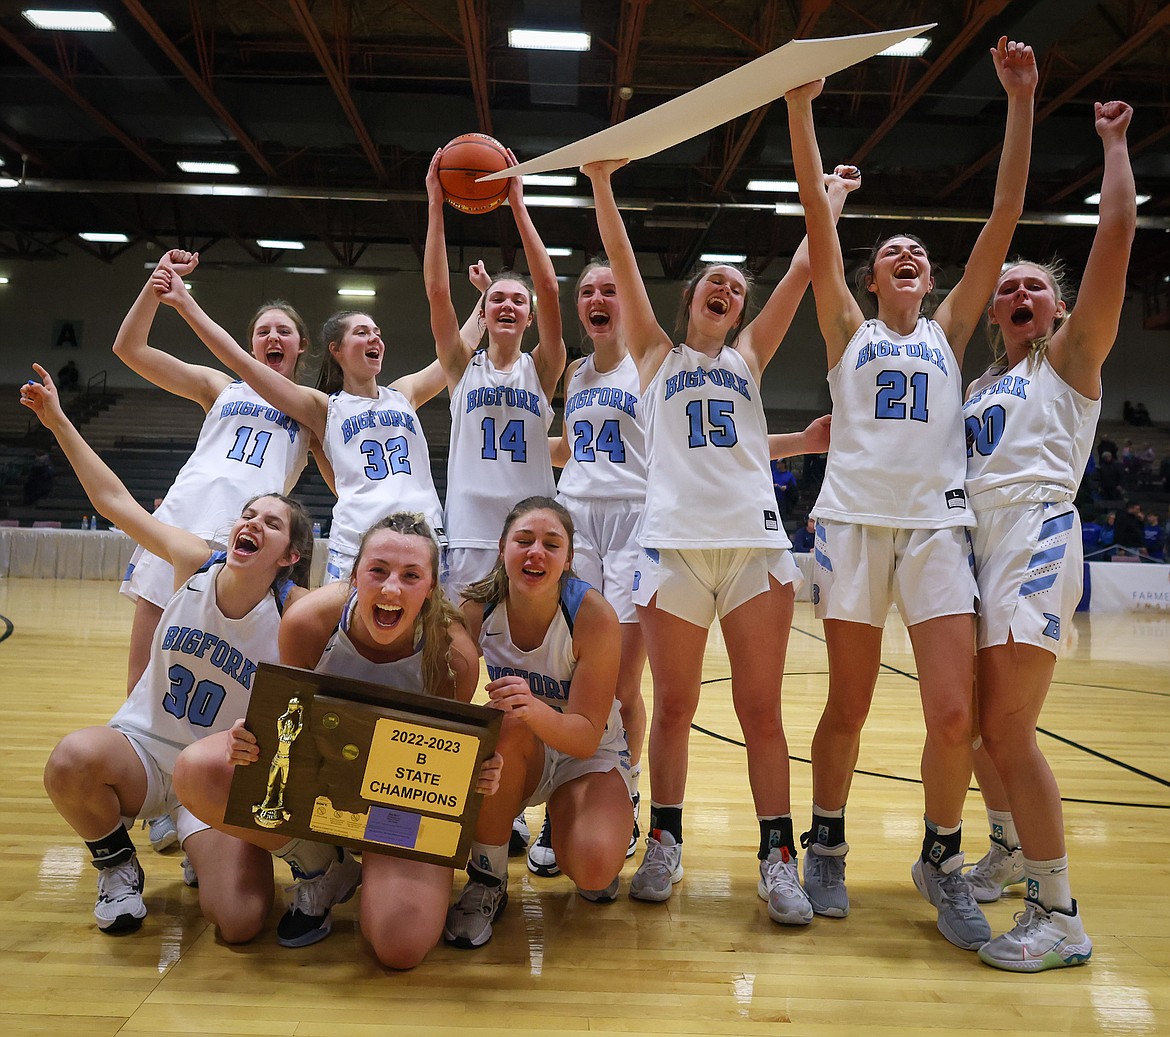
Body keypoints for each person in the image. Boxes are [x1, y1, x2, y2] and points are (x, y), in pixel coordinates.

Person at [784, 37, 1035, 948]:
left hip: (936, 529)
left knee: (954, 712)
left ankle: (940, 854)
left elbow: (1005, 212)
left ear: (928, 280)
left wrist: (1018, 99)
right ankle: (826, 843)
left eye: (916, 252)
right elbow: (818, 217)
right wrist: (802, 107)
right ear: (867, 278)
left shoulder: (952, 328)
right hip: (852, 526)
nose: (906, 255)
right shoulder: (845, 328)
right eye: (889, 250)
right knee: (847, 705)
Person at [583, 153, 858, 927]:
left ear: (740, 310)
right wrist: (603, 183)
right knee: (671, 706)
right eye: (717, 280)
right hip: (671, 545)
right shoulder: (652, 354)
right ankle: (665, 838)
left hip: (752, 546)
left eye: (739, 287)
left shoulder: (749, 357)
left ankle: (778, 856)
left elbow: (807, 267)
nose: (729, 289)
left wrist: (829, 199)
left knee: (759, 709)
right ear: (693, 295)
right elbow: (625, 264)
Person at [21, 364, 312, 936]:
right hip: (145, 754)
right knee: (71, 760)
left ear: (290, 555)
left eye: (270, 522)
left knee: (241, 920)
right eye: (247, 515)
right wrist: (57, 420)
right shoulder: (191, 559)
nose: (250, 522)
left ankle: (235, 847)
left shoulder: (297, 612)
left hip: (216, 774)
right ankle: (116, 865)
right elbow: (113, 501)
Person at [964, 98, 1135, 972]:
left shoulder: (1068, 363)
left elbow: (1114, 240)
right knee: (977, 731)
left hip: (1034, 538)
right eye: (1010, 286)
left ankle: (1059, 910)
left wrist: (1112, 147)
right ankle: (1004, 847)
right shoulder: (977, 386)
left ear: (1060, 308)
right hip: (976, 545)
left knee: (1010, 728)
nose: (1021, 292)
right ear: (996, 311)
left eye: (1037, 284)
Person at [175, 513, 502, 963]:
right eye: (378, 570)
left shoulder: (454, 655)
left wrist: (477, 770)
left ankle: (380, 874)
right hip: (321, 781)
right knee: (199, 768)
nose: (391, 588)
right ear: (354, 575)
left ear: (430, 588)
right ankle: (323, 867)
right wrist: (251, 739)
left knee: (399, 944)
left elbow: (444, 767)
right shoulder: (310, 621)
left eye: (411, 576)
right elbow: (290, 719)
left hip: (395, 807)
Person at [154, 256, 450, 585]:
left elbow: (452, 353)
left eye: (377, 333)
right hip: (360, 533)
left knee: (434, 631)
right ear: (336, 349)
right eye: (363, 332)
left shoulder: (403, 393)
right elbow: (240, 361)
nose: (375, 338)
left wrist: (485, 307)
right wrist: (185, 303)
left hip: (423, 529)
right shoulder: (324, 406)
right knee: (343, 633)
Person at [444, 497, 630, 948]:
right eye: (523, 541)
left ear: (568, 558)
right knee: (503, 725)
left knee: (593, 868)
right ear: (503, 548)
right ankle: (487, 880)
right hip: (520, 746)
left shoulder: (594, 615)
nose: (536, 553)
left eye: (551, 544)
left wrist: (534, 708)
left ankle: (582, 819)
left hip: (586, 750)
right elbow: (449, 710)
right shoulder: (474, 610)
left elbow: (586, 735)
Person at [528, 258, 648, 878]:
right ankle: (560, 799)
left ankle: (622, 786)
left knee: (623, 680)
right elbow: (570, 448)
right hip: (575, 518)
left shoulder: (649, 365)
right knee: (566, 672)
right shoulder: (574, 374)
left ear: (627, 301)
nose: (598, 299)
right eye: (588, 292)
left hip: (633, 520)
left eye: (610, 290)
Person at [424, 150, 566, 596]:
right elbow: (436, 291)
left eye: (517, 301)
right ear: (483, 314)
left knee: (527, 651)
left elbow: (548, 286)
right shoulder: (460, 367)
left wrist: (517, 204)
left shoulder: (543, 367)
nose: (507, 304)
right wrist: (434, 203)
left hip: (532, 533)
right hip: (469, 528)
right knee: (459, 654)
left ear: (529, 317)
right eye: (497, 299)